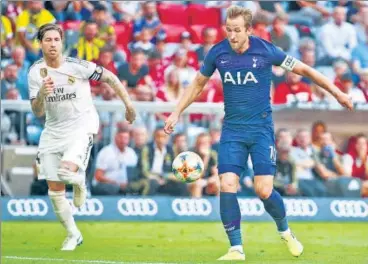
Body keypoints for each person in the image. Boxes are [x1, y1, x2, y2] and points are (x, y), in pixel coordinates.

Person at [164, 6, 352, 261]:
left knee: (263, 189)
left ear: (249, 30)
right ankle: (236, 248)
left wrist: (337, 92)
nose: (232, 35)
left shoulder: (266, 50)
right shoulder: (218, 53)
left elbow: (306, 71)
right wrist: (176, 112)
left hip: (261, 130)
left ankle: (285, 231)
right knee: (227, 184)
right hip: (232, 130)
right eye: (228, 30)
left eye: (237, 30)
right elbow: (198, 84)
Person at [28, 23, 136, 251]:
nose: (53, 44)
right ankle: (73, 234)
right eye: (48, 40)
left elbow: (111, 78)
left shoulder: (77, 66)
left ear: (62, 42)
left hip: (81, 126)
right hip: (53, 130)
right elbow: (37, 111)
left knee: (67, 170)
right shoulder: (35, 72)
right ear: (41, 43)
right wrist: (41, 95)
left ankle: (79, 181)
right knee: (54, 188)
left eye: (56, 39)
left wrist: (128, 104)